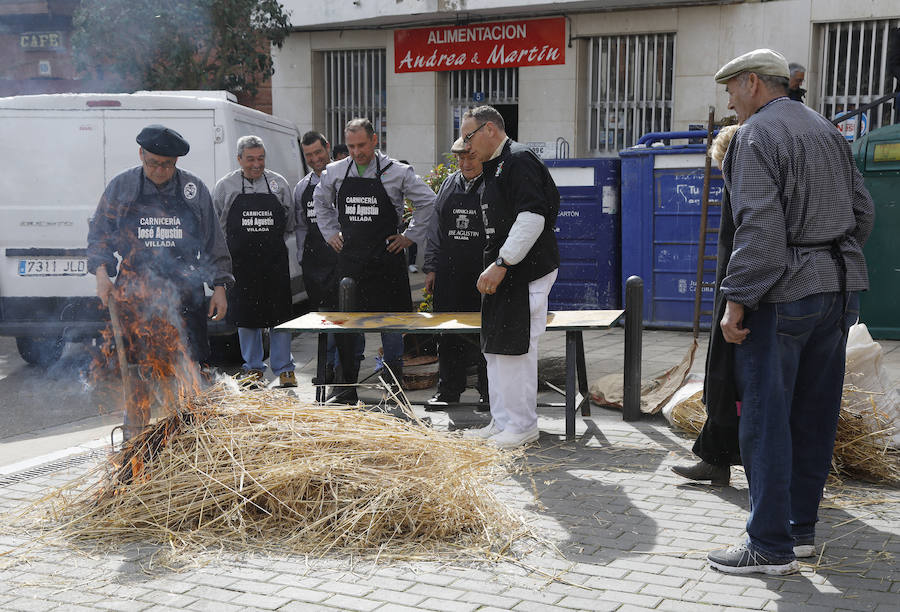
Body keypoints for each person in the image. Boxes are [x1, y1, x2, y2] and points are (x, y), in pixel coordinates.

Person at [707, 48, 873, 576]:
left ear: (753, 82)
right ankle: (800, 531)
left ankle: (769, 544)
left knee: (766, 418)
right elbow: (863, 212)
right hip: (838, 288)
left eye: (731, 90)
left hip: (784, 295)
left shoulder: (756, 136)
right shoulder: (826, 130)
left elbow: (758, 227)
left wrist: (736, 302)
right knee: (814, 415)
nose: (731, 102)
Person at [87, 124, 233, 436]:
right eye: (153, 162)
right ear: (141, 154)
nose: (159, 170)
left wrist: (220, 286)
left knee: (188, 368)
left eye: (166, 164)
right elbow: (99, 234)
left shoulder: (193, 190)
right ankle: (135, 437)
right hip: (135, 294)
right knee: (136, 370)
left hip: (185, 295)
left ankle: (188, 438)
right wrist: (102, 274)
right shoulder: (122, 187)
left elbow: (213, 241)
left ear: (176, 162)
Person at [458, 105, 560, 449]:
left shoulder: (519, 160)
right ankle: (502, 421)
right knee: (496, 349)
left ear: (490, 129)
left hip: (522, 271)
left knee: (517, 349)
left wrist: (502, 262)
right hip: (504, 273)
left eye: (469, 136)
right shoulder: (496, 166)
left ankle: (522, 425)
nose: (465, 145)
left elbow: (532, 217)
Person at [313, 118, 435, 393]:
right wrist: (330, 232)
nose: (357, 152)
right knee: (349, 329)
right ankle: (346, 387)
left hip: (386, 263)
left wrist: (410, 236)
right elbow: (320, 202)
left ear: (375, 140)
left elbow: (428, 201)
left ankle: (393, 384)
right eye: (351, 146)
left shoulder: (397, 172)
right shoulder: (334, 172)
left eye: (362, 145)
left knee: (391, 327)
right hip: (351, 263)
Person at [672, 124, 742, 486]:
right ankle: (715, 458)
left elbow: (746, 242)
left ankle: (719, 459)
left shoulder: (744, 181)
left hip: (740, 296)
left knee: (728, 380)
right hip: (737, 291)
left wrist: (735, 301)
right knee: (723, 381)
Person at [213, 135, 296, 388]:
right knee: (247, 318)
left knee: (280, 316)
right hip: (241, 266)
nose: (256, 164)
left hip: (274, 263)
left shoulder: (279, 184)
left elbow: (290, 223)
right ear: (239, 159)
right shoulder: (225, 187)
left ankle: (285, 369)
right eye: (250, 159)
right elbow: (217, 228)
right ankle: (253, 369)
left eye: (260, 158)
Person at [294, 130, 364, 392]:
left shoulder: (348, 178)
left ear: (327, 149)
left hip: (348, 262)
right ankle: (328, 369)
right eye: (309, 155)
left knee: (350, 322)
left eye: (318, 152)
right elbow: (300, 226)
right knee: (326, 322)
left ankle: (349, 374)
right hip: (317, 266)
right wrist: (302, 258)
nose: (315, 159)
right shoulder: (302, 187)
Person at [422, 137, 489, 410]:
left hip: (484, 273)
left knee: (486, 335)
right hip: (449, 273)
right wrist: (431, 266)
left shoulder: (494, 184)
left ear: (483, 156)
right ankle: (448, 391)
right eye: (460, 158)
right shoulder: (450, 183)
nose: (465, 163)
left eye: (471, 157)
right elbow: (435, 227)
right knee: (447, 334)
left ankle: (489, 393)